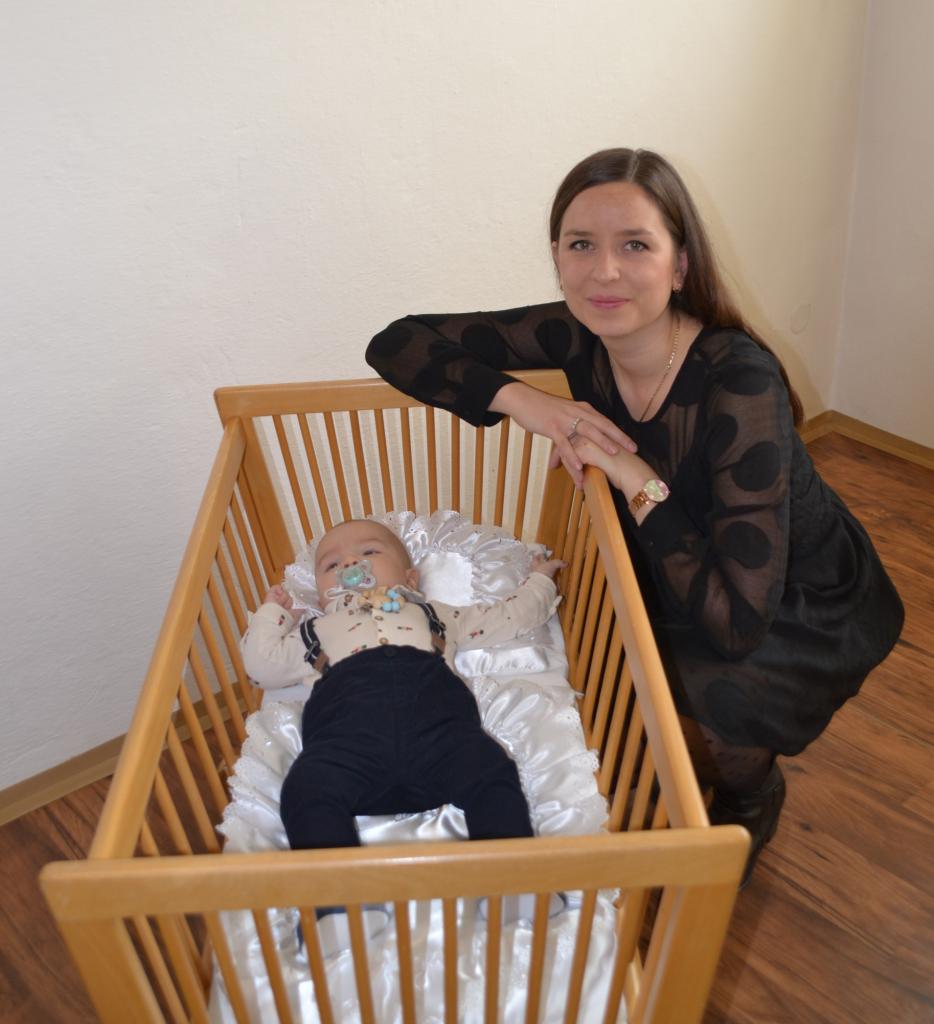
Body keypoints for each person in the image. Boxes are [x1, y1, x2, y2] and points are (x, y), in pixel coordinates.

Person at [366, 147, 905, 886]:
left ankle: (751, 792)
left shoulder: (738, 377)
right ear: (557, 258)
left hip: (790, 595)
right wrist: (529, 403)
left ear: (680, 265)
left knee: (710, 693)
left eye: (635, 246)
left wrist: (636, 478)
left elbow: (737, 624)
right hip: (676, 553)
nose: (604, 273)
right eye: (580, 245)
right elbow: (396, 342)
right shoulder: (575, 334)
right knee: (615, 662)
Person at [241, 518, 565, 950]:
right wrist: (275, 612)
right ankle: (338, 907)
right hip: (348, 743)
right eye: (332, 564)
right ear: (319, 595)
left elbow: (508, 617)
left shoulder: (434, 614)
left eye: (369, 552)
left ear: (411, 578)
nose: (350, 563)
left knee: (490, 769)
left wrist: (539, 581)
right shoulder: (314, 632)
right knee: (305, 787)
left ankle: (512, 883)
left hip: (438, 734)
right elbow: (260, 666)